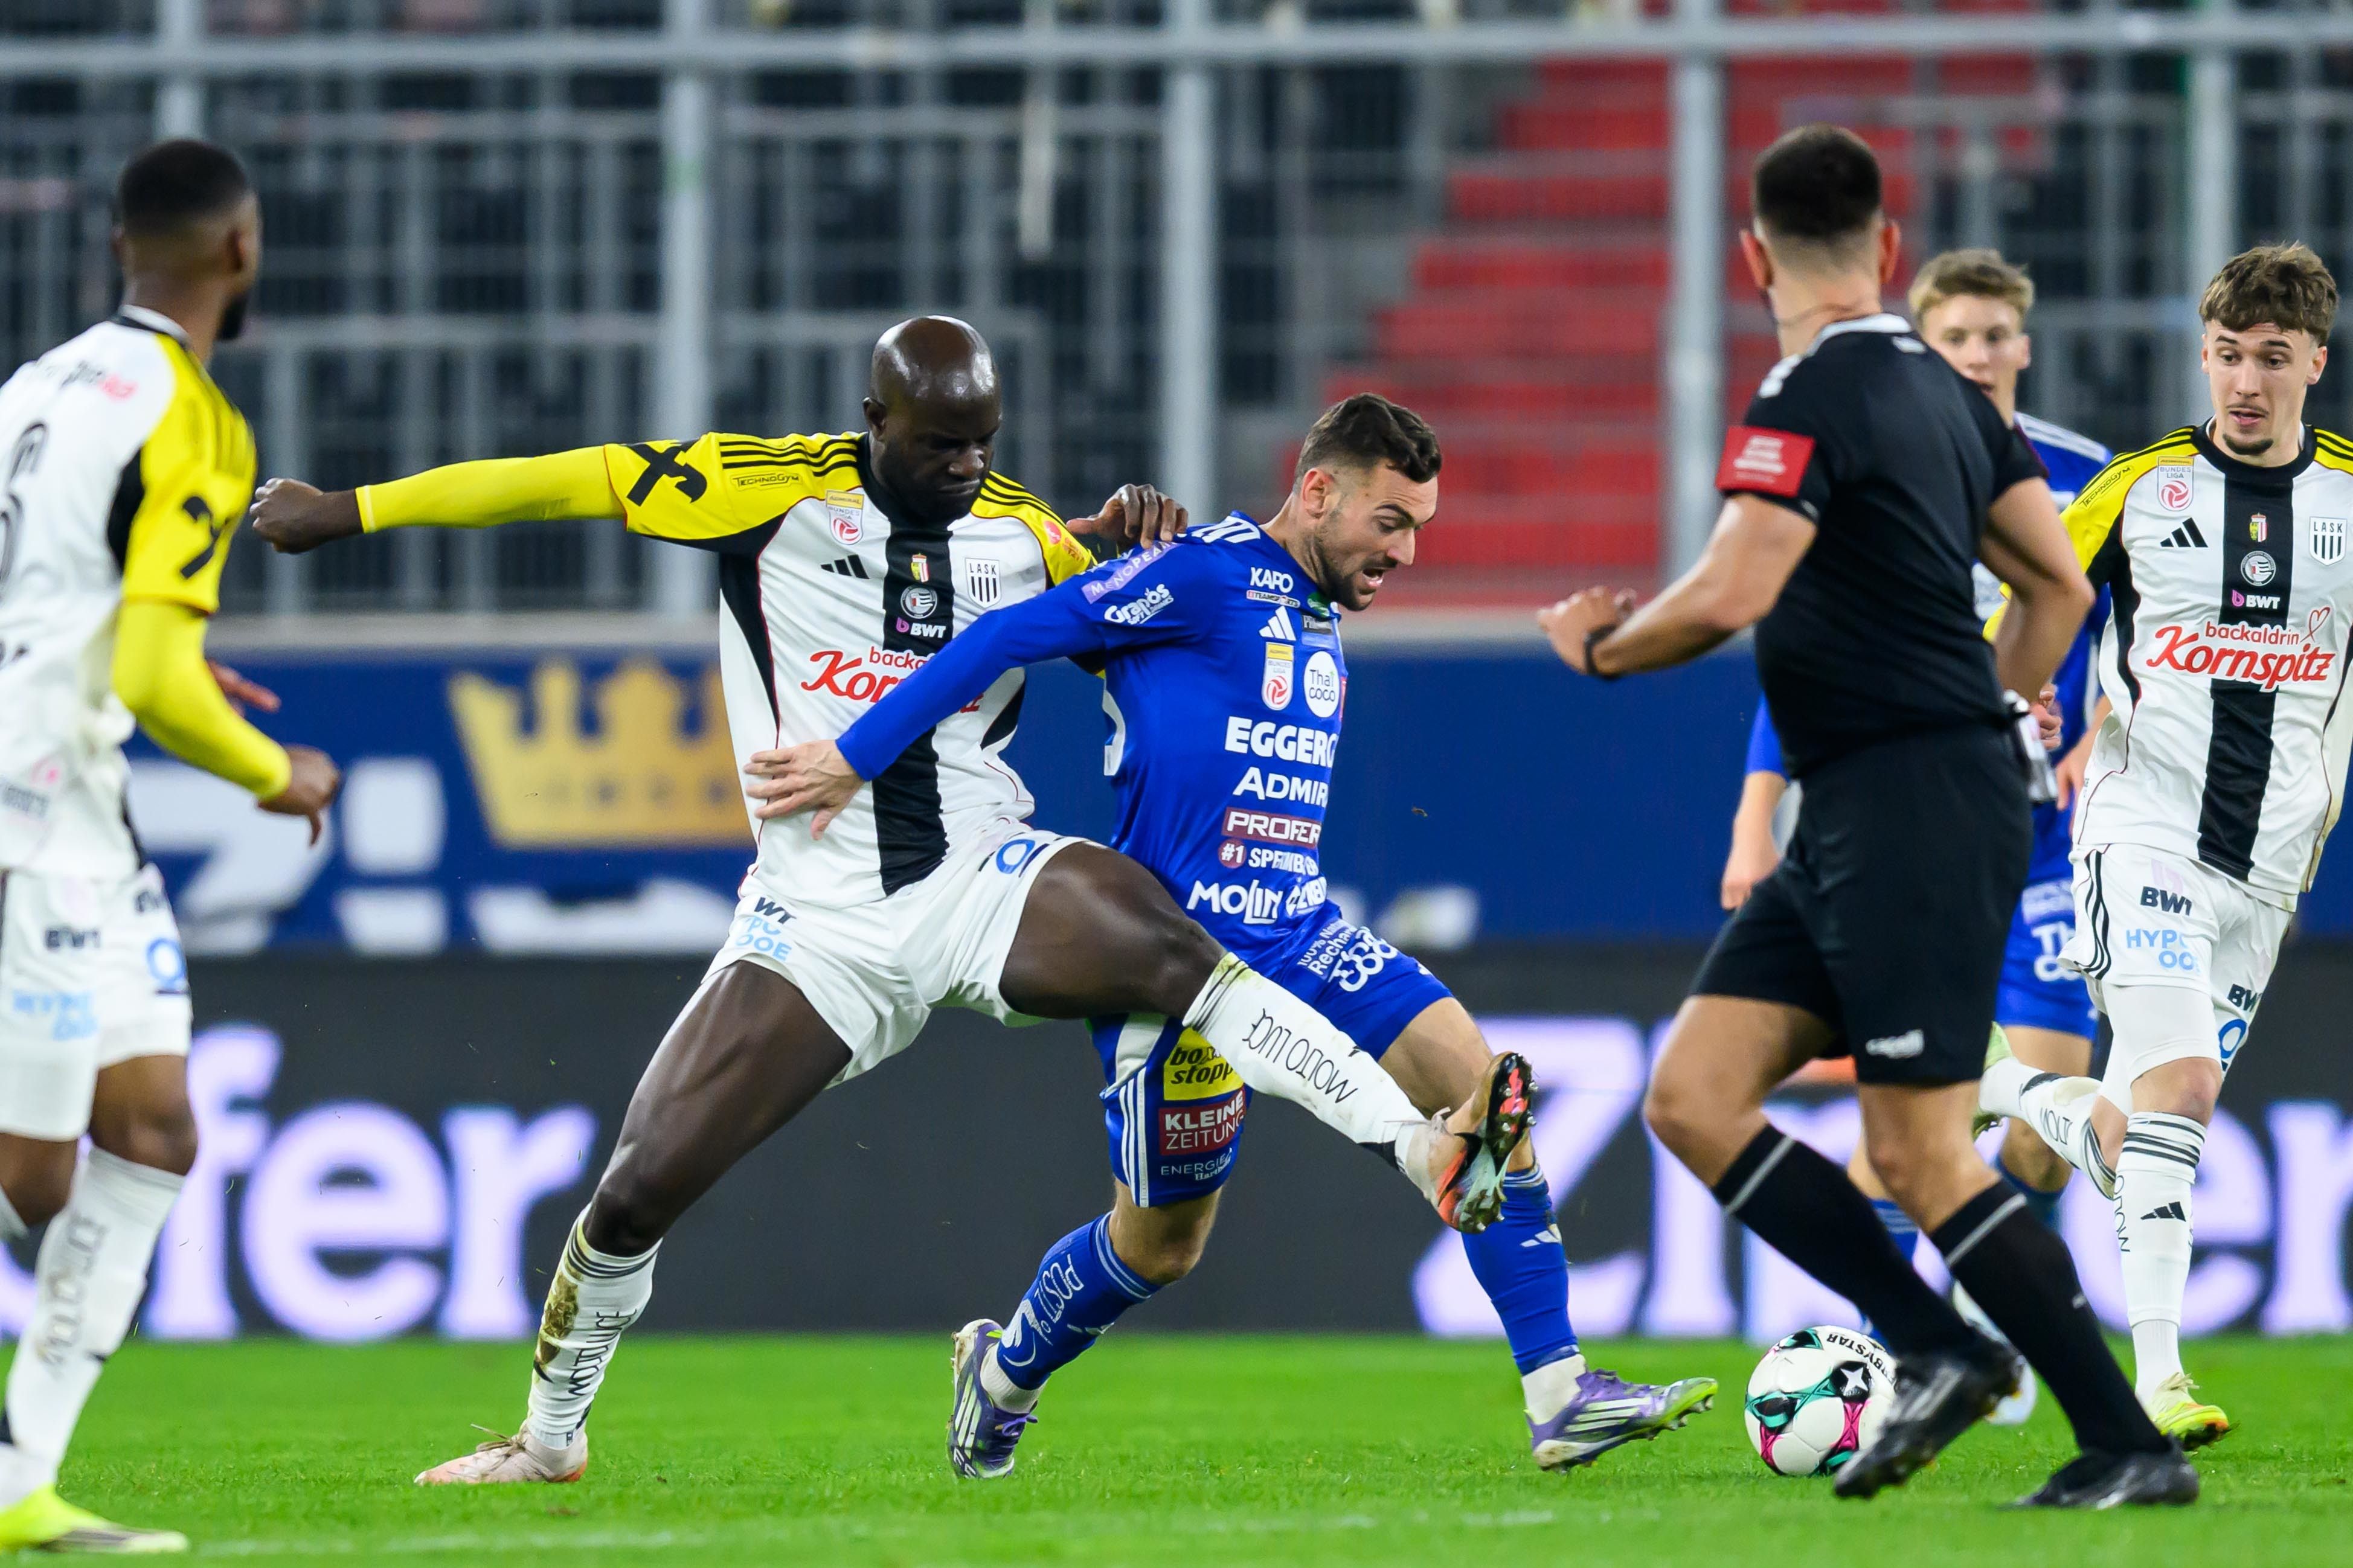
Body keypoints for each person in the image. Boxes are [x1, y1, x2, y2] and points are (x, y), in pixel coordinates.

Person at [248, 317, 1528, 1486]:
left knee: (1168, 947)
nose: (965, 465)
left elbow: (1120, 619)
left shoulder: (1019, 526)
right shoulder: (760, 486)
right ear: (877, 426)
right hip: (821, 924)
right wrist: (348, 510)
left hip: (983, 872)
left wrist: (1120, 536)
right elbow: (557, 478)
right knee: (638, 1190)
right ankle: (548, 1436)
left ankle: (1417, 1147)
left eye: (983, 442)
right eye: (938, 444)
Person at [746, 393, 1712, 1478]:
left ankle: (1560, 1391)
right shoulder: (1206, 571)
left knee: (1483, 1088)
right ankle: (1005, 1368)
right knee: (1160, 1245)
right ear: (1314, 491)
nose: (1404, 552)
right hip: (1173, 959)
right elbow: (1018, 631)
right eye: (1390, 523)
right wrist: (860, 751)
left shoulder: (1316, 609)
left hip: (1303, 930)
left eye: (1420, 531)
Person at [1540, 125, 2191, 1508]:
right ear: (1891, 252)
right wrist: (2004, 720)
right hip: (1872, 805)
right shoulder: (1954, 397)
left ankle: (2120, 1441)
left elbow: (1730, 590)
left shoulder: (1802, 393)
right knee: (1694, 1097)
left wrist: (1602, 649)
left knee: (1914, 1148)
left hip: (1905, 805)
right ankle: (1937, 1348)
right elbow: (2058, 594)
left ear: (1752, 256)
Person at [0, 139, 342, 1554]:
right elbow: (148, 675)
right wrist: (272, 769)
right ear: (241, 251)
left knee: (152, 1128)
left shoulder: (35, 387)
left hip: (73, 799)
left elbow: (100, 618)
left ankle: (19, 1484)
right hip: (37, 804)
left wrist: (178, 667)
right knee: (34, 1176)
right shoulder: (193, 414)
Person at [1721, 249, 2113, 1428]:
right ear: (1925, 347)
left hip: (2047, 836)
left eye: (1997, 335)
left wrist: (2104, 739)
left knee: (2044, 1117)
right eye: (1957, 338)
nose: (1980, 355)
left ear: (2024, 346)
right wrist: (1752, 821)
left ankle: (1983, 1324)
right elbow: (1800, 657)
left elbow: (2147, 634)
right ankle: (1908, 1349)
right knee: (1909, 1128)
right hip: (1918, 824)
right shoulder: (1876, 465)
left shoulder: (2095, 480)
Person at [1979, 242, 2353, 1450]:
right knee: (2181, 1086)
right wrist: (2011, 706)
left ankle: (2014, 1089)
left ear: (2315, 364)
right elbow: (2023, 614)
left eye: (2273, 361)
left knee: (2146, 1123)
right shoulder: (2136, 490)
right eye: (2229, 357)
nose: (2246, 384)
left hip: (2269, 872)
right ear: (2204, 355)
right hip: (2139, 831)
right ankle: (2154, 1383)